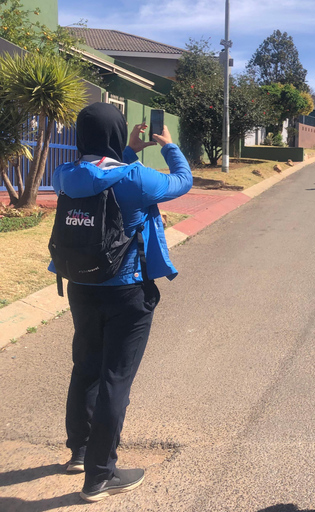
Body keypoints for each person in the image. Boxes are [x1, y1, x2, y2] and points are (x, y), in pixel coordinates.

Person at [52, 103, 192, 502]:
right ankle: (100, 476)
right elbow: (182, 182)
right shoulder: (135, 177)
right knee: (116, 378)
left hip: (81, 286)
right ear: (116, 134)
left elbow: (100, 177)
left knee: (86, 367)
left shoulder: (66, 175)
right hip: (127, 291)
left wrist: (125, 152)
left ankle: (80, 452)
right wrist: (167, 146)